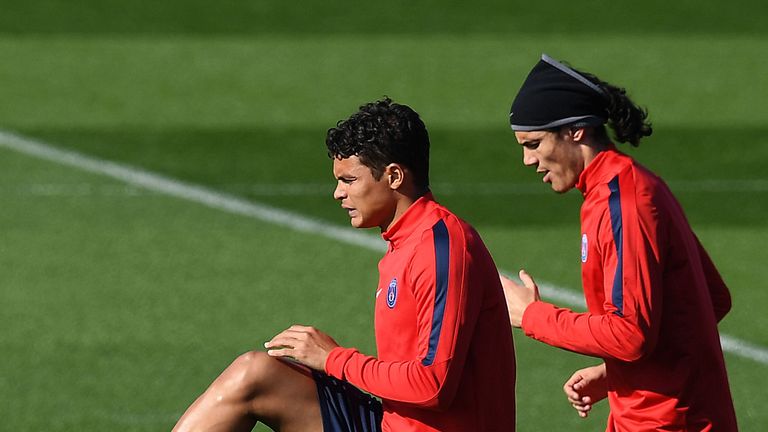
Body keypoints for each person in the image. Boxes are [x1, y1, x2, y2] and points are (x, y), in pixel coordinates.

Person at [172, 98, 517, 432]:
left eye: (349, 180)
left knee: (255, 375)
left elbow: (432, 385)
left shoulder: (442, 245)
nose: (338, 193)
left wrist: (333, 359)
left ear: (394, 176)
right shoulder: (403, 243)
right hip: (393, 423)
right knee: (254, 373)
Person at [500, 54, 738, 431]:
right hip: (653, 416)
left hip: (669, 422)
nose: (528, 160)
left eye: (533, 143)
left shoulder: (623, 202)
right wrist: (614, 375)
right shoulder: (625, 187)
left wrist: (531, 316)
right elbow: (712, 298)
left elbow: (629, 334)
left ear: (574, 131)